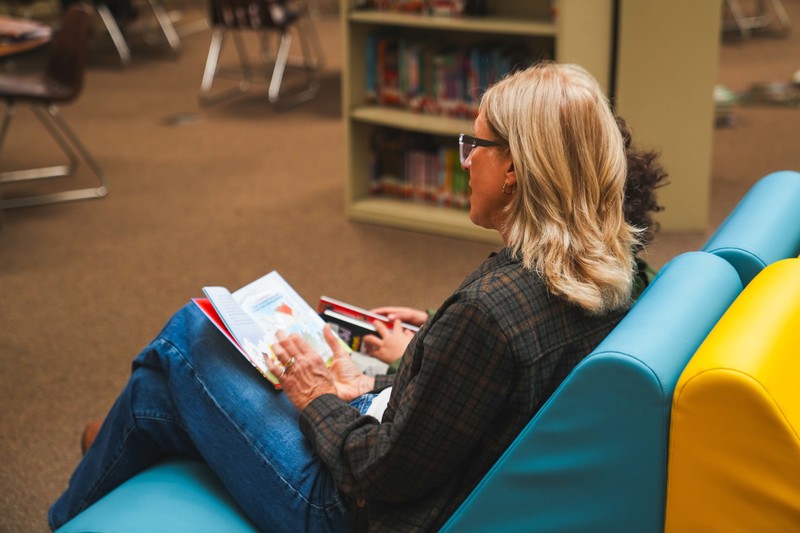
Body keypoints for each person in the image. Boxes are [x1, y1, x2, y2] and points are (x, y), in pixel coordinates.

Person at [50, 62, 643, 532]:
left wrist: (317, 397)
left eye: (474, 144)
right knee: (157, 395)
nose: (464, 162)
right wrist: (376, 385)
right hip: (404, 446)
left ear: (513, 167)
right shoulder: (619, 270)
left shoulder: (489, 314)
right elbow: (477, 403)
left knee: (189, 338)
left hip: (346, 511)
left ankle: (80, 494)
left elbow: (376, 473)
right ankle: (121, 444)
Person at [362, 115, 670, 368]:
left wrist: (405, 358)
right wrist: (435, 324)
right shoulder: (634, 276)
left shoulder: (525, 295)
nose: (467, 163)